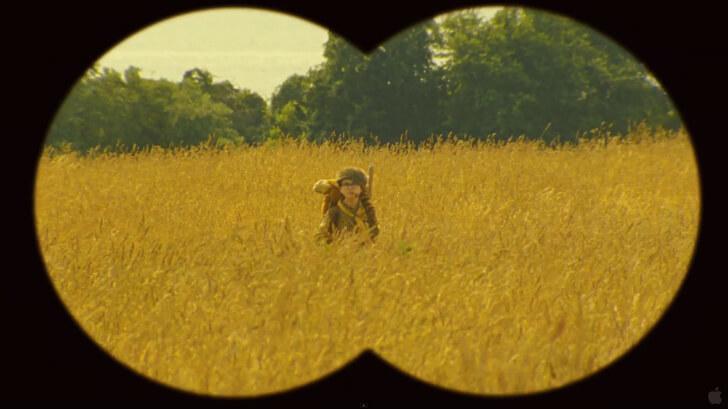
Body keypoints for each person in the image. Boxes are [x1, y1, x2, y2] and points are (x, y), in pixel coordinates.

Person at [314, 167, 379, 245]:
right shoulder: (334, 212)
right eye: (346, 184)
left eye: (355, 184)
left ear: (361, 188)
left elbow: (374, 233)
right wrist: (335, 244)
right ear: (340, 188)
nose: (350, 188)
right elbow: (320, 237)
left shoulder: (368, 211)